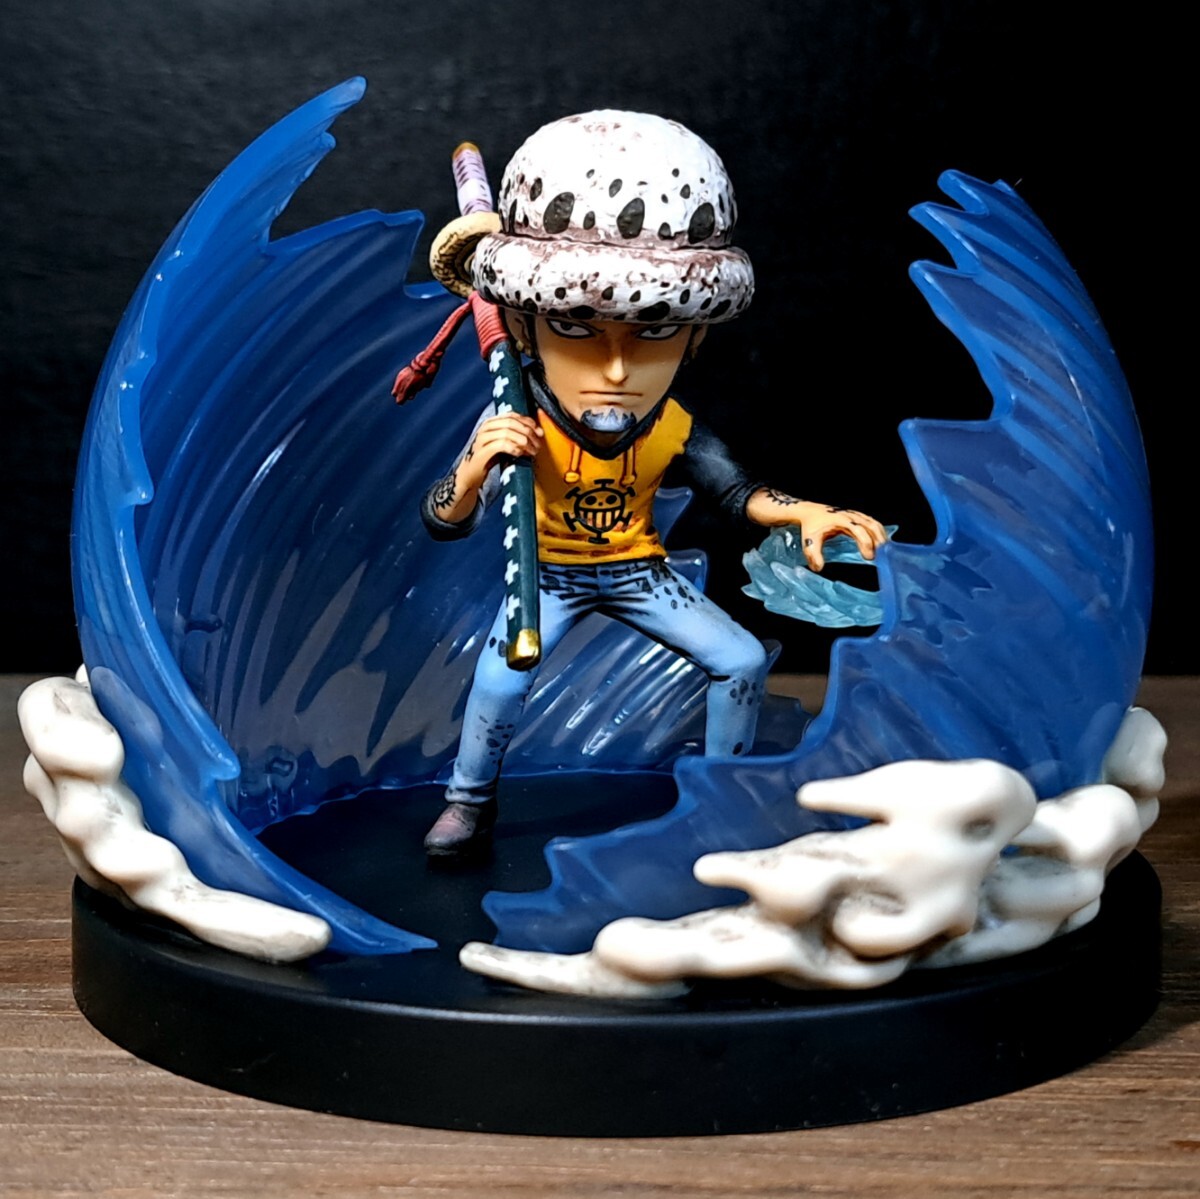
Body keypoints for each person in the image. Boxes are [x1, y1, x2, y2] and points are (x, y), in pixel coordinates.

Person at [416, 111, 887, 856]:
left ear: (693, 338)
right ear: (525, 327)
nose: (615, 370)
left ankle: (721, 797)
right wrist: (475, 467)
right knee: (501, 679)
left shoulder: (672, 426)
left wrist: (807, 512)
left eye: (653, 334)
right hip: (549, 577)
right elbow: (443, 519)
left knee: (739, 660)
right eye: (577, 330)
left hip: (640, 573)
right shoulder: (513, 416)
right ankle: (467, 802)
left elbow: (737, 493)